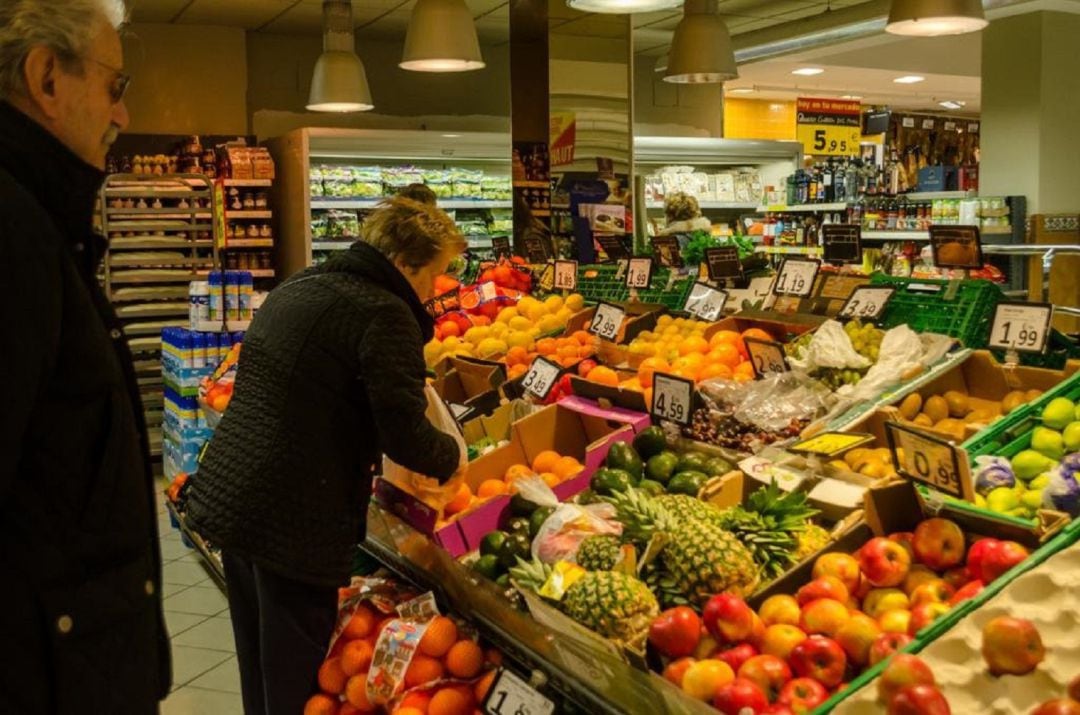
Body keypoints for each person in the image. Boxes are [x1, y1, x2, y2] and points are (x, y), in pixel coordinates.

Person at [186, 197, 466, 715]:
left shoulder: (302, 284)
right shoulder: (385, 313)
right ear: (405, 264)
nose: (434, 290)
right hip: (294, 515)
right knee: (299, 673)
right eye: (434, 275)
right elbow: (404, 434)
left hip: (236, 496)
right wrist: (454, 456)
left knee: (260, 658)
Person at [0, 1, 171, 713]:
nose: (122, 115)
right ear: (46, 77)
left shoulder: (42, 223)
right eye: (115, 86)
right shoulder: (14, 238)